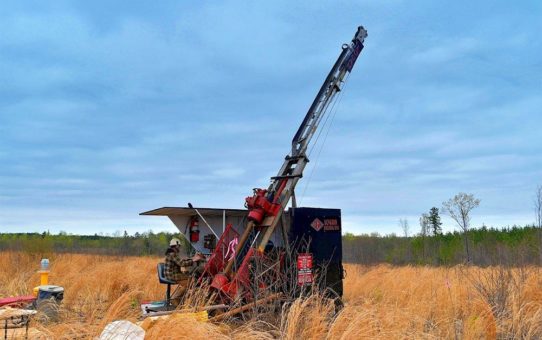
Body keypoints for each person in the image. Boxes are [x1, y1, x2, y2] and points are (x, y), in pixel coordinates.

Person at [164, 238, 205, 304]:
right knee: (190, 282)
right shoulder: (172, 254)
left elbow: (181, 261)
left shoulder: (170, 253)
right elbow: (182, 264)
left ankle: (179, 299)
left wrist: (192, 258)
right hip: (172, 275)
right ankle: (175, 299)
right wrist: (193, 260)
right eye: (179, 246)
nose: (179, 248)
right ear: (176, 245)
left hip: (171, 274)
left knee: (189, 278)